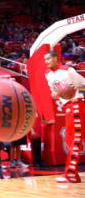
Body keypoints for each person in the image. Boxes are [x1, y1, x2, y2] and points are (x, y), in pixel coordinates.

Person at [44, 50, 85, 183]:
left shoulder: (68, 70)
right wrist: (55, 94)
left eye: (48, 59)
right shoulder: (48, 75)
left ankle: (71, 174)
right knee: (69, 139)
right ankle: (71, 174)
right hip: (67, 106)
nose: (46, 62)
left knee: (75, 140)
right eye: (45, 60)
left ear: (56, 58)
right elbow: (54, 92)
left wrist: (72, 86)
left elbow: (83, 83)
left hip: (76, 104)